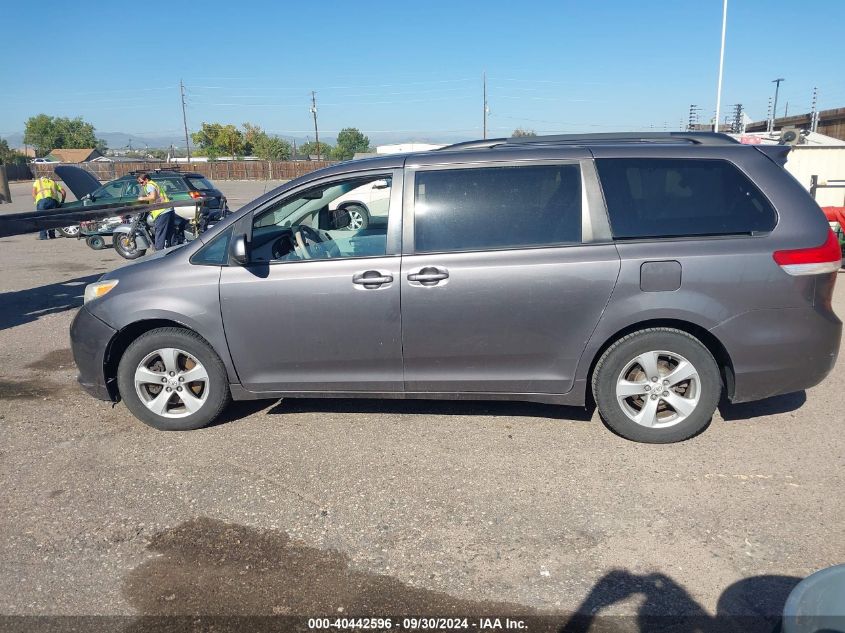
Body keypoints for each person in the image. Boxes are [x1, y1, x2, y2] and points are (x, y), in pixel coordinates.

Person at [136, 173, 173, 250]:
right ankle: (172, 249)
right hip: (168, 209)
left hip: (161, 211)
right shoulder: (155, 184)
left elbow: (153, 196)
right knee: (170, 233)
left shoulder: (149, 185)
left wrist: (142, 199)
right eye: (139, 183)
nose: (141, 185)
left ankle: (158, 253)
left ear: (146, 180)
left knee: (159, 233)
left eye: (141, 182)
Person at [32, 175, 66, 240]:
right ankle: (52, 235)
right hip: (53, 202)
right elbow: (63, 192)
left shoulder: (37, 182)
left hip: (42, 202)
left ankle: (43, 236)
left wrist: (36, 202)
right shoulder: (53, 182)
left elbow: (33, 193)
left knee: (42, 219)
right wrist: (62, 201)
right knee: (52, 218)